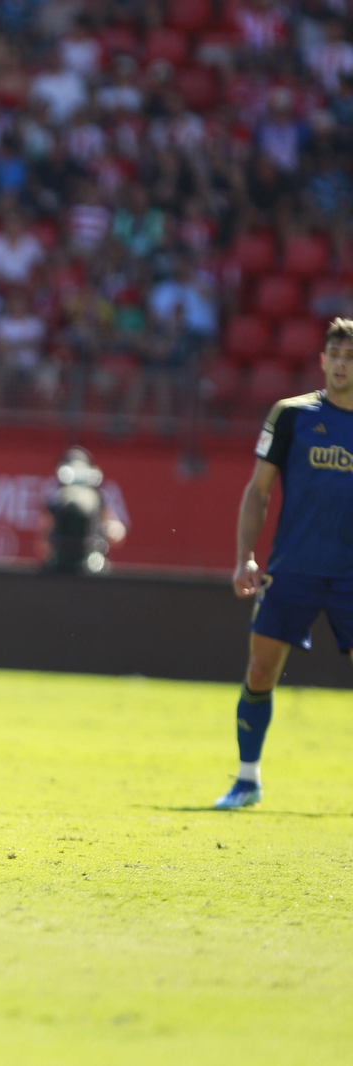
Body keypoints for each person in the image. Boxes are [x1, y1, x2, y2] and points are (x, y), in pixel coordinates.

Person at [215, 318, 353, 810]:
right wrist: (243, 558)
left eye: (350, 357)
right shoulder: (292, 415)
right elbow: (258, 492)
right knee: (259, 670)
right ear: (322, 360)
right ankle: (247, 780)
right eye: (334, 355)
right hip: (292, 569)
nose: (341, 364)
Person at [39, 447, 125, 574]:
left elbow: (117, 533)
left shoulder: (98, 498)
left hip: (87, 565)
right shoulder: (55, 499)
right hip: (65, 567)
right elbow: (43, 543)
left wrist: (108, 531)